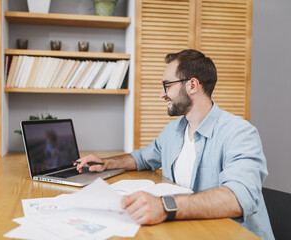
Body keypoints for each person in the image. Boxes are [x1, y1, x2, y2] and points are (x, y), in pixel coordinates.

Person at [74, 49, 274, 240]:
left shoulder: (239, 133)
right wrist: (106, 163)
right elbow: (142, 158)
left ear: (192, 85)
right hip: (189, 229)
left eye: (167, 85)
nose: (162, 94)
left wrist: (163, 206)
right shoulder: (172, 131)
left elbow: (238, 198)